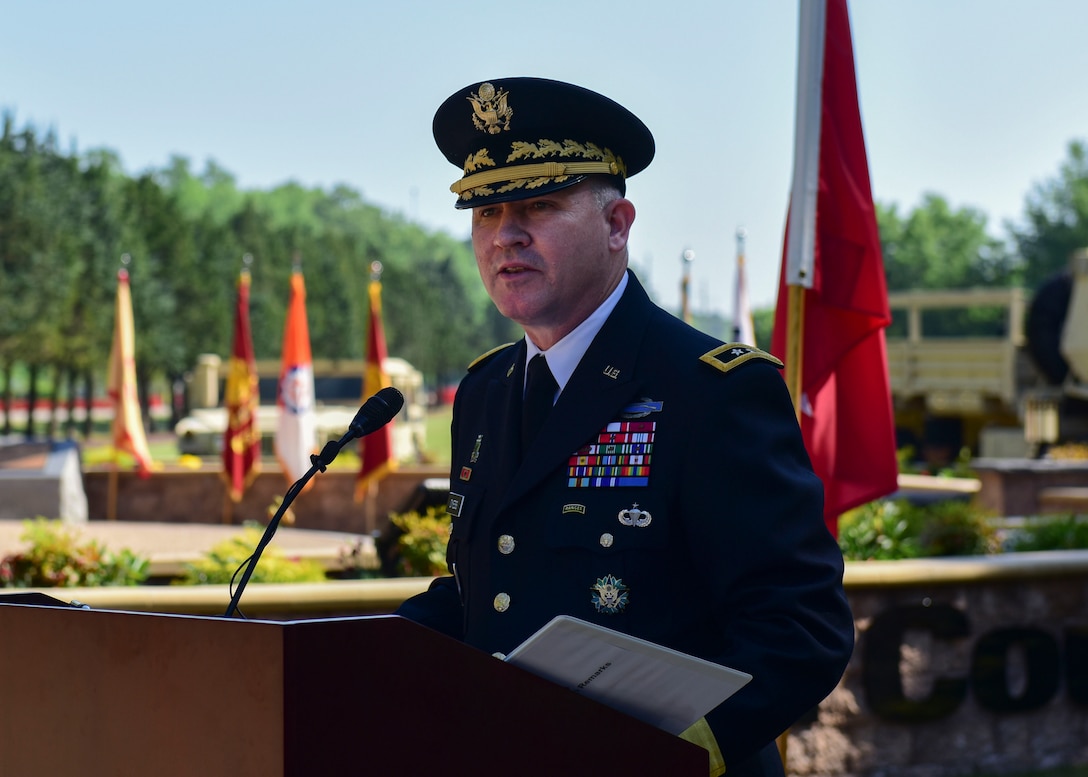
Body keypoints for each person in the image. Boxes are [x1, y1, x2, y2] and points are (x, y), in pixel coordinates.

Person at [396, 76, 854, 777]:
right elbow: (489, 589)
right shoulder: (486, 391)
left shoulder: (710, 391)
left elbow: (801, 627)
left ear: (618, 225)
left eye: (539, 204)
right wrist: (328, 649)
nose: (505, 234)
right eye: (485, 213)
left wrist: (669, 751)